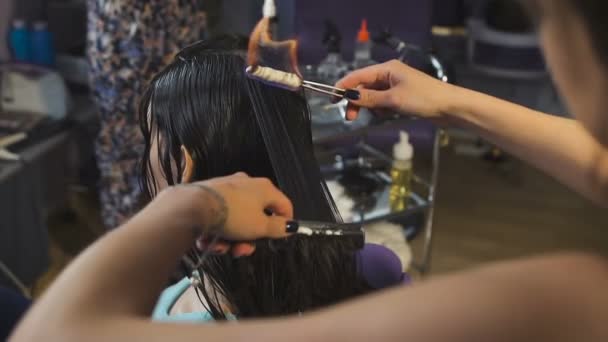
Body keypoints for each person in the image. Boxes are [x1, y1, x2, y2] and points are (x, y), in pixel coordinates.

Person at [10, 0, 608, 340]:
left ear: (187, 164)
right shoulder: (366, 270)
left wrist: (190, 205)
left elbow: (50, 334)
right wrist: (453, 103)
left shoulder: (578, 300)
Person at [87, 0, 206, 228]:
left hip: (175, 28)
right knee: (124, 148)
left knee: (181, 139)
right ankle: (129, 244)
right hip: (125, 39)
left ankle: (177, 235)